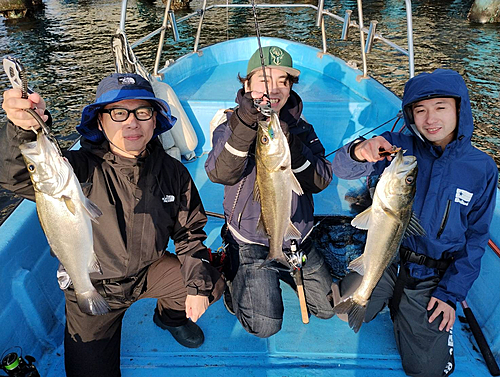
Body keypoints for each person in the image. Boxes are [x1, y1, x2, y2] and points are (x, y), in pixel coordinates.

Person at [0, 73, 225, 377]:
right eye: (119, 113)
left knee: (211, 281)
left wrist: (198, 288)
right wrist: (22, 129)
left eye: (142, 112)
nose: (132, 122)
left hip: (149, 272)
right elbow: (16, 174)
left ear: (155, 120)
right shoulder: (77, 169)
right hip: (93, 282)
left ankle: (169, 317)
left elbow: (189, 234)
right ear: (101, 122)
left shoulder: (173, 173)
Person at [332, 69, 498, 376]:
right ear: (409, 115)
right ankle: (393, 299)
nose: (430, 119)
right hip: (390, 258)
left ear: (459, 108)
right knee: (344, 308)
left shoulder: (482, 168)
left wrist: (450, 294)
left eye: (441, 107)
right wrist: (359, 150)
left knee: (427, 369)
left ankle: (407, 308)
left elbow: (476, 240)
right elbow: (339, 167)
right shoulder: (399, 148)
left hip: (435, 275)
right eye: (420, 110)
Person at [205, 46, 335, 338]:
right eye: (263, 79)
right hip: (249, 238)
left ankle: (284, 266)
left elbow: (320, 180)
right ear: (247, 85)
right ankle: (234, 275)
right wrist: (247, 125)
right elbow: (219, 172)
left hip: (295, 236)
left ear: (290, 89)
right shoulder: (229, 125)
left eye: (282, 81)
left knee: (328, 307)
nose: (273, 89)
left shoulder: (302, 128)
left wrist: (295, 145)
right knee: (264, 325)